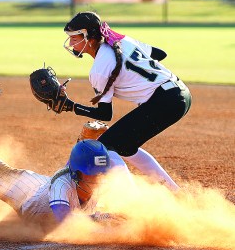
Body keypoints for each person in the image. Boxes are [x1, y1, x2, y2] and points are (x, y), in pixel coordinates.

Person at [0, 54, 128, 224]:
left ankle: (84, 141)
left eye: (100, 174)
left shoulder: (91, 181)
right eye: (93, 175)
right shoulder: (61, 187)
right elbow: (65, 221)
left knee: (73, 176)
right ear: (78, 175)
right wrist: (100, 217)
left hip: (42, 185)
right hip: (25, 195)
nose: (98, 178)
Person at [59, 11, 192, 191]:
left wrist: (70, 106)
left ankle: (132, 201)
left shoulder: (99, 68)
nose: (71, 43)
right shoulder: (122, 41)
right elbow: (160, 53)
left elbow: (105, 114)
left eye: (74, 38)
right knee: (126, 146)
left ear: (89, 39)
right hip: (180, 93)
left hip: (166, 101)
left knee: (108, 146)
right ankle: (175, 192)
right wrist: (136, 69)